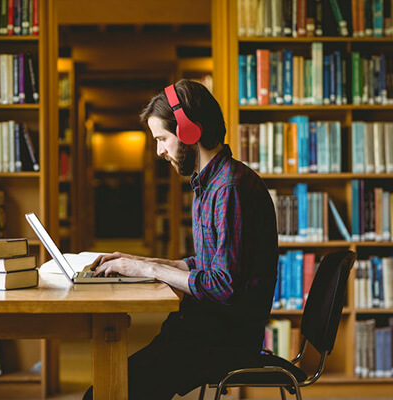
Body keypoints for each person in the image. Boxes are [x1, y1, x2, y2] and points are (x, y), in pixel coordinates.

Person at [83, 79, 278, 400]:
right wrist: (137, 262)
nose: (160, 150)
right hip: (203, 329)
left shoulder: (230, 187)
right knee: (109, 388)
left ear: (189, 132)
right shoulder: (210, 183)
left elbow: (223, 285)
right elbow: (203, 266)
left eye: (162, 138)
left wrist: (149, 270)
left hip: (221, 340)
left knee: (104, 394)